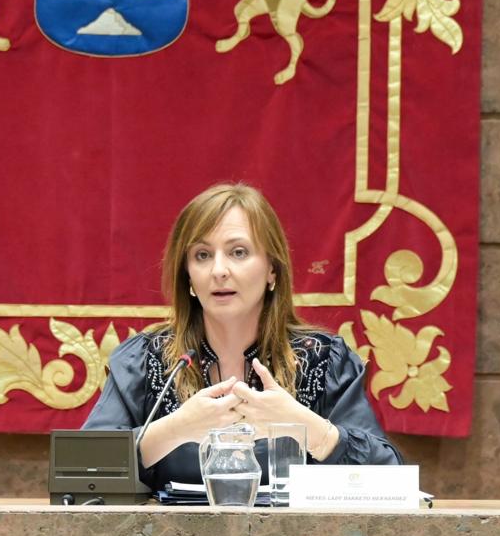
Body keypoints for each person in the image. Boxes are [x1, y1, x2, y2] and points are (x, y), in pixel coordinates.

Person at [83, 182, 401, 488]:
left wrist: (305, 427)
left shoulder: (323, 359)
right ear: (189, 277)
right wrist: (174, 430)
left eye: (238, 252)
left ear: (272, 270)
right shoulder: (146, 360)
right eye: (202, 255)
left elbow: (389, 479)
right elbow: (82, 472)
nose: (219, 270)